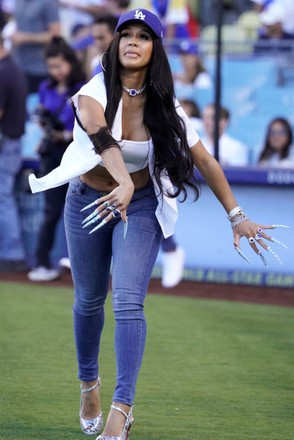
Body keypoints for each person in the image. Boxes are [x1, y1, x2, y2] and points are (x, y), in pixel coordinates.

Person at [28, 9, 286, 439]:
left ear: (155, 49)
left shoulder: (168, 106)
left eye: (143, 36)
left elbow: (204, 160)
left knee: (128, 301)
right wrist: (122, 180)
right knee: (89, 300)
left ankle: (121, 409)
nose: (132, 41)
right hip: (90, 200)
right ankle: (88, 384)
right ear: (114, 44)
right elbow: (100, 137)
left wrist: (237, 216)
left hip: (142, 204)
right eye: (125, 34)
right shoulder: (92, 91)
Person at [28, 37, 85, 282]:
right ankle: (42, 262)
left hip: (77, 153)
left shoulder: (83, 88)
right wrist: (47, 126)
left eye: (60, 65)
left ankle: (81, 265)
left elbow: (82, 126)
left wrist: (63, 132)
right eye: (51, 67)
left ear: (71, 63)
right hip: (52, 152)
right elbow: (41, 114)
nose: (56, 71)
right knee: (51, 210)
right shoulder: (46, 88)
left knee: (81, 208)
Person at [0, 28, 27, 272]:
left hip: (5, 142)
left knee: (3, 197)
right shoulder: (11, 67)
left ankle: (12, 253)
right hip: (11, 141)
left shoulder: (4, 70)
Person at [9, 0, 60, 94]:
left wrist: (26, 38)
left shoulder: (48, 3)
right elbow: (18, 25)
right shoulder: (18, 2)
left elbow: (55, 35)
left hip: (40, 68)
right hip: (19, 65)